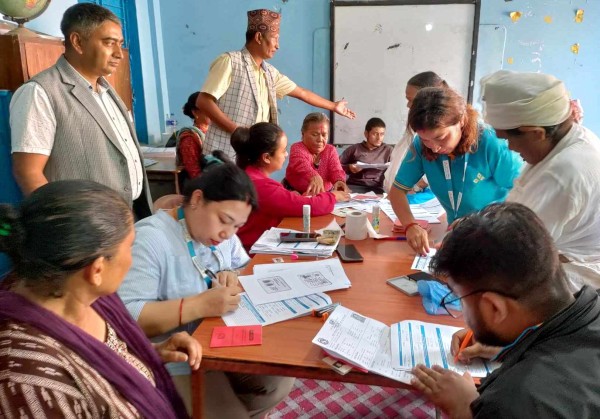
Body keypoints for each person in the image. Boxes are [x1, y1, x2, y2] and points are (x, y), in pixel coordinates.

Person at [0, 180, 200, 418]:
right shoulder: (31, 379)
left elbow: (100, 360)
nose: (132, 259)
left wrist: (146, 354)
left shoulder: (79, 294)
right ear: (96, 270)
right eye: (130, 247)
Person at [118, 162, 294, 417]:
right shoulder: (150, 240)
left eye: (237, 227)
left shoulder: (222, 236)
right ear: (198, 199)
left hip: (217, 342)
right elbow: (126, 316)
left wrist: (233, 276)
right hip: (171, 354)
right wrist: (199, 305)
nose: (228, 234)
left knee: (278, 379)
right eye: (225, 221)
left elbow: (244, 268)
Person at [410, 202, 600, 418]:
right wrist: (513, 346)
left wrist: (464, 409)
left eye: (459, 298)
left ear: (494, 308)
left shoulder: (512, 403)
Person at [9, 3, 152, 219]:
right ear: (77, 41)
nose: (119, 54)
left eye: (120, 44)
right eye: (108, 43)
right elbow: (28, 173)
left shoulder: (106, 90)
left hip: (127, 219)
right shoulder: (40, 92)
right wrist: (69, 228)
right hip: (85, 229)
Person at [481, 70, 600, 290]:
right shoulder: (571, 140)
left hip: (568, 289)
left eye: (507, 139)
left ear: (536, 133)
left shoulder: (562, 173)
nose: (511, 148)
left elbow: (519, 252)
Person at [197, 9, 356, 158]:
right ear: (259, 37)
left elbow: (302, 93)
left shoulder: (270, 73)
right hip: (223, 153)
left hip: (252, 155)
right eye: (275, 39)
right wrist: (236, 131)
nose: (278, 46)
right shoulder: (230, 61)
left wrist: (334, 106)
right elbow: (203, 101)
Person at [388, 87, 522, 255]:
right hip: (456, 235)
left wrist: (480, 222)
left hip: (496, 235)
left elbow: (523, 199)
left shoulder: (491, 142)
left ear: (461, 121)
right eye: (425, 139)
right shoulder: (421, 146)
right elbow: (397, 191)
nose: (434, 148)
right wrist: (410, 225)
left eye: (441, 138)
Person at [231, 122, 350, 249]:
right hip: (253, 251)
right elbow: (307, 206)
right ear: (266, 157)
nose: (286, 155)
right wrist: (333, 196)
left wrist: (291, 197)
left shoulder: (251, 177)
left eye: (324, 135)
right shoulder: (261, 185)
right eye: (283, 151)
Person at [383, 71, 448, 193]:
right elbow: (398, 161)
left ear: (428, 99)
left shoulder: (436, 134)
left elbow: (440, 167)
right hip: (397, 197)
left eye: (411, 100)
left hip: (417, 199)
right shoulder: (413, 129)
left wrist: (417, 185)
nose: (408, 105)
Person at [286, 112, 350, 195]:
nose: (320, 139)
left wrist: (339, 181)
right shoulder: (297, 148)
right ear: (303, 134)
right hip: (297, 193)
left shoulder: (330, 150)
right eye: (315, 134)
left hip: (324, 195)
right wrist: (313, 176)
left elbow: (336, 169)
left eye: (324, 135)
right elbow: (301, 164)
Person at [339, 117, 393, 194]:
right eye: (375, 134)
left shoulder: (388, 150)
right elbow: (335, 166)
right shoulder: (354, 149)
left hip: (377, 188)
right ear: (366, 134)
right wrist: (349, 168)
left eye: (382, 134)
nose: (379, 138)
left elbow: (397, 170)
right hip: (354, 187)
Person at [176, 91, 211, 181]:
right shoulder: (190, 139)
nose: (214, 112)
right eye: (208, 108)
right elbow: (195, 173)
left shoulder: (212, 132)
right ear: (195, 112)